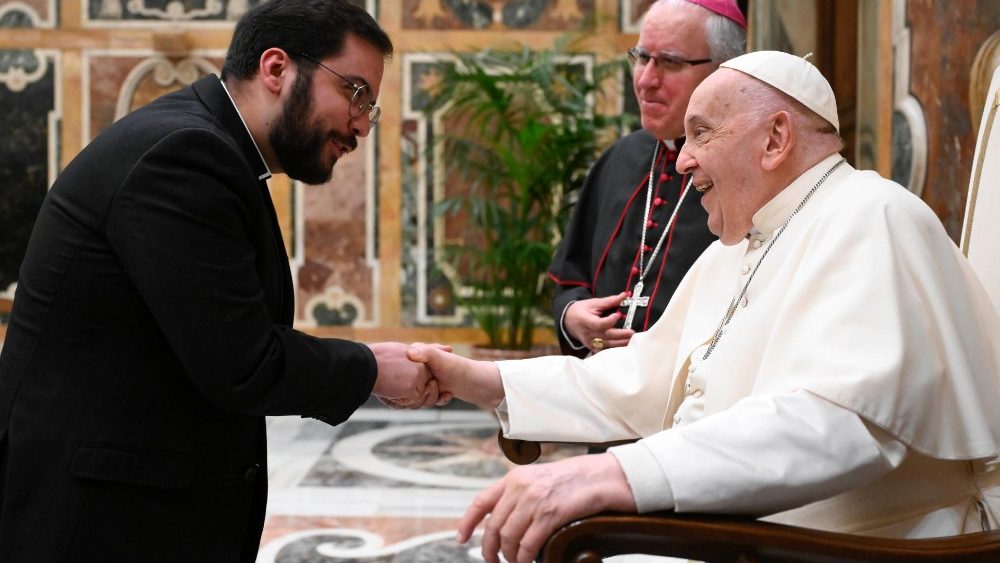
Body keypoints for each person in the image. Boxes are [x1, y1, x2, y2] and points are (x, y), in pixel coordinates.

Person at [411, 50, 1000, 563]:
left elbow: (839, 420)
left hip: (858, 544)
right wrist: (479, 379)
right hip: (746, 536)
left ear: (775, 139)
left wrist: (615, 473)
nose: (681, 159)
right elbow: (641, 380)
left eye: (701, 133)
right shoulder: (737, 247)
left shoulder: (873, 215)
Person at [0, 1, 442, 561]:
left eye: (370, 107)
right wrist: (372, 368)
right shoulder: (186, 155)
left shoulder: (213, 147)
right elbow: (242, 362)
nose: (360, 125)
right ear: (276, 69)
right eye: (354, 93)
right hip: (99, 522)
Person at [548, 0, 745, 357]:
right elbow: (570, 282)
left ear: (723, 70)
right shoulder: (619, 159)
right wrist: (573, 318)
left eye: (670, 62)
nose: (645, 80)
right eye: (642, 57)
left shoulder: (750, 173)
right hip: (602, 389)